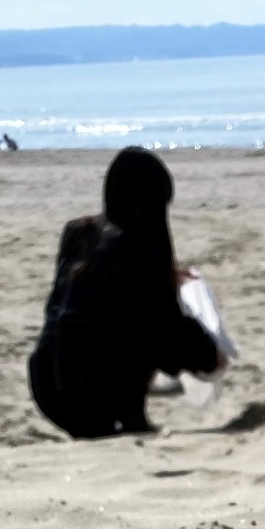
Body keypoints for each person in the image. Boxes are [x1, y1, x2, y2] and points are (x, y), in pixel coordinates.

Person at [28, 147, 223, 441]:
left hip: (46, 383)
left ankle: (124, 413)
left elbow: (91, 299)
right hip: (94, 390)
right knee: (144, 333)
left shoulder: (78, 233)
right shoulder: (138, 248)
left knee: (113, 327)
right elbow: (164, 327)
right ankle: (129, 415)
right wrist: (210, 357)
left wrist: (166, 279)